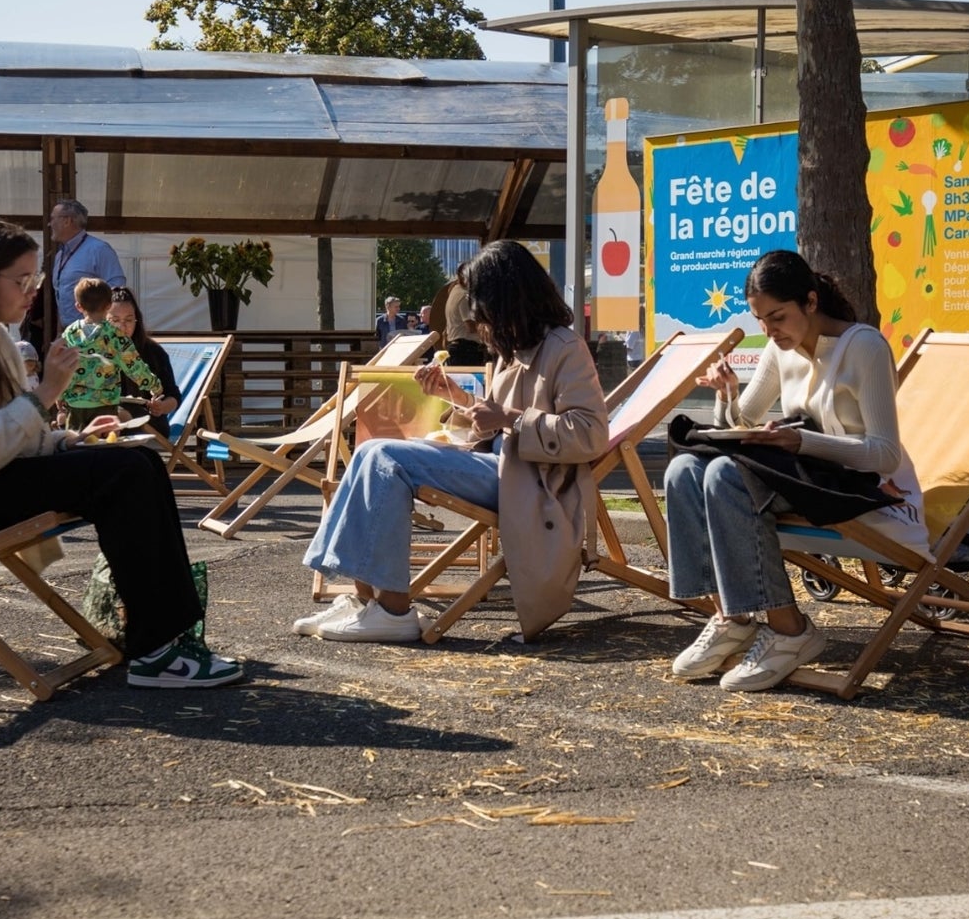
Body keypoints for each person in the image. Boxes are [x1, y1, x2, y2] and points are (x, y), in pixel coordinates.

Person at [0, 220, 243, 689]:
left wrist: (68, 441)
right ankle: (158, 648)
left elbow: (12, 437)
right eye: (22, 280)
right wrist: (47, 394)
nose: (33, 291)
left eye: (36, 279)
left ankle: (163, 641)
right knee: (128, 474)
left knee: (138, 462)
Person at [300, 239, 608, 644]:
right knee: (370, 450)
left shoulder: (565, 349)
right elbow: (494, 422)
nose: (475, 316)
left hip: (534, 484)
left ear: (506, 297)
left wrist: (508, 418)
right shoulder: (514, 350)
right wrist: (456, 397)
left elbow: (590, 434)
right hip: (506, 470)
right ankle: (364, 601)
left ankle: (393, 610)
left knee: (387, 458)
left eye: (479, 303)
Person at [664, 250, 927, 693]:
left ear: (810, 300)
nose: (769, 331)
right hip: (808, 479)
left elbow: (885, 454)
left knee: (725, 477)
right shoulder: (778, 348)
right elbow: (741, 423)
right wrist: (727, 394)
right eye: (760, 320)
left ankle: (790, 631)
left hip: (866, 488)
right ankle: (733, 615)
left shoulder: (863, 347)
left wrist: (801, 441)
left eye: (777, 317)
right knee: (685, 469)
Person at [58, 277, 162, 426]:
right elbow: (135, 366)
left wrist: (59, 394)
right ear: (108, 306)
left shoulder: (70, 333)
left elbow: (62, 368)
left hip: (76, 404)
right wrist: (154, 386)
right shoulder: (115, 337)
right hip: (105, 406)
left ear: (78, 306)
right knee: (106, 445)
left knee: (76, 446)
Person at [45, 199, 126, 332]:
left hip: (95, 335)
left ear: (67, 221)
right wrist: (61, 333)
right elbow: (62, 296)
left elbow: (117, 291)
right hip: (70, 333)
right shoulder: (61, 254)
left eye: (53, 218)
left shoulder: (99, 250)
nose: (50, 224)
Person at [108, 286, 180, 426]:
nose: (122, 327)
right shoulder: (96, 351)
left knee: (119, 415)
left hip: (146, 419)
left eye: (128, 320)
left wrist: (161, 407)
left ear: (137, 320)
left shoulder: (153, 352)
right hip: (105, 416)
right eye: (115, 321)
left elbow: (173, 395)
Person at [443, 276, 488, 366]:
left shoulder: (454, 292)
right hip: (466, 350)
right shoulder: (464, 296)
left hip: (456, 348)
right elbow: (470, 326)